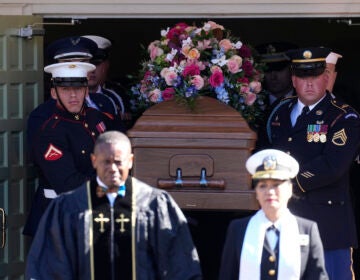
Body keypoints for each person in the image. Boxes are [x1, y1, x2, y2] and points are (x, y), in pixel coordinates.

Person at [25, 131, 202, 280]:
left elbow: (180, 266)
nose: (113, 168)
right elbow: (49, 268)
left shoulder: (155, 204)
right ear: (94, 161)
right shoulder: (68, 207)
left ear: (131, 161)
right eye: (105, 162)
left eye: (118, 162)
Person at [266, 47, 360, 279]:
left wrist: (286, 182)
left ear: (326, 78)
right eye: (303, 77)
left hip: (327, 225)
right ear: (294, 80)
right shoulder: (279, 113)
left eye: (315, 76)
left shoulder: (343, 116)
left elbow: (332, 165)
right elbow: (265, 153)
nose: (309, 84)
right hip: (284, 219)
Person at [23, 61, 121, 237]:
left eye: (78, 89)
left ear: (86, 90)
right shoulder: (50, 132)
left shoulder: (96, 118)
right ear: (54, 93)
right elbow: (68, 184)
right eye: (65, 90)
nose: (73, 95)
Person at [218, 149, 328, 280]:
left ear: (289, 189)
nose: (269, 192)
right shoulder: (238, 229)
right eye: (263, 186)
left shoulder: (307, 230)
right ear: (256, 192)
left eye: (276, 185)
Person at [82, 35, 133, 126]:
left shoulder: (116, 97)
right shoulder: (68, 99)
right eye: (86, 65)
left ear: (106, 65)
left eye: (96, 63)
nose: (91, 70)